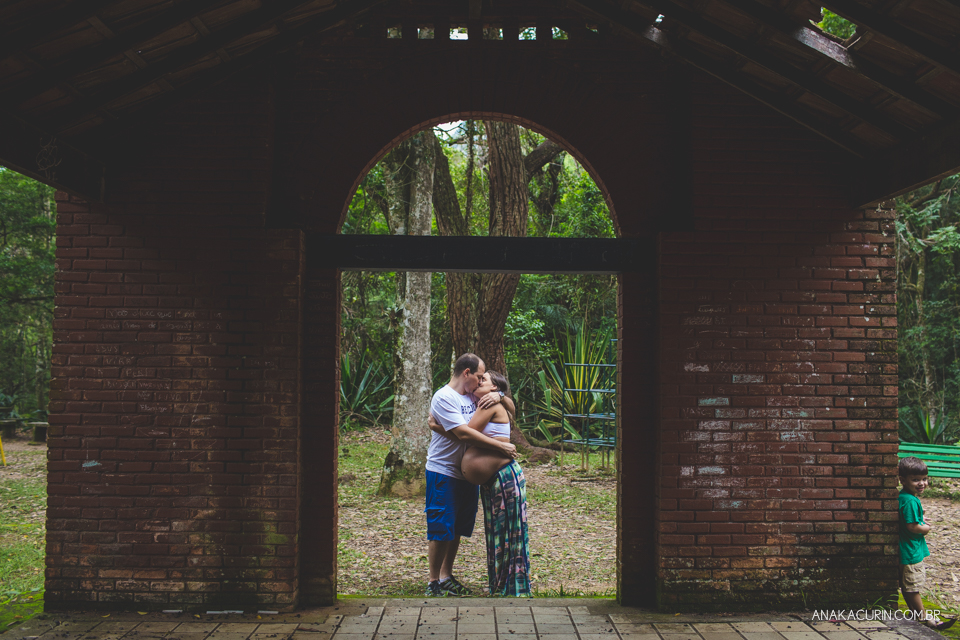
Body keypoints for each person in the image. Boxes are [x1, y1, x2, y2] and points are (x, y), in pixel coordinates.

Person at [424, 353, 517, 597]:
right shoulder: (444, 397)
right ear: (466, 373)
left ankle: (446, 576)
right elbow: (464, 434)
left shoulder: (471, 395)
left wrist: (500, 395)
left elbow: (508, 407)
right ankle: (433, 582)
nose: (480, 381)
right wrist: (500, 447)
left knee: (457, 528)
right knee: (440, 526)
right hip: (443, 470)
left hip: (464, 476)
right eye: (478, 376)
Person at [460, 370, 531, 597]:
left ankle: (510, 588)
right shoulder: (485, 400)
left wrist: (437, 426)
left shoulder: (489, 404)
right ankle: (502, 585)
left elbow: (466, 433)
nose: (479, 381)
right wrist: (501, 394)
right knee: (499, 534)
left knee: (508, 534)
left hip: (504, 478)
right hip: (498, 479)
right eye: (478, 378)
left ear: (493, 388)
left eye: (484, 380)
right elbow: (510, 404)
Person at [898, 456, 955, 630]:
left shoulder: (903, 497)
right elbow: (912, 526)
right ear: (903, 480)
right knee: (913, 587)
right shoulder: (911, 500)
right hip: (911, 551)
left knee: (907, 587)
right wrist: (925, 527)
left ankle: (916, 616)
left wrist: (919, 518)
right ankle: (925, 619)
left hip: (905, 550)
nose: (921, 483)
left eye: (924, 479)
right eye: (915, 480)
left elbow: (905, 518)